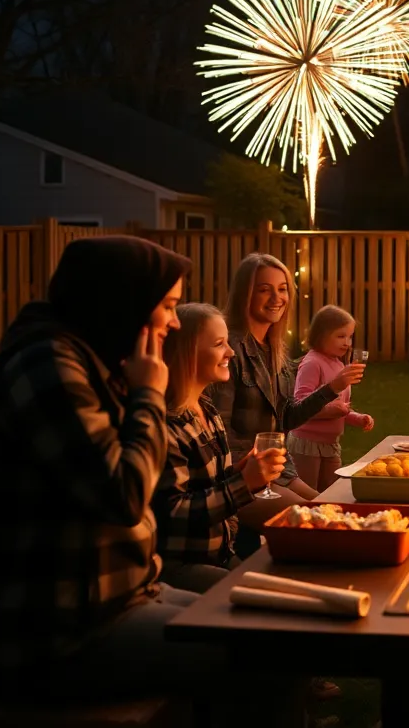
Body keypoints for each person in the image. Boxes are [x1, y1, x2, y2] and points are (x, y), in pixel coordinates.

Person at [0, 238, 264, 710]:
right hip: (59, 634)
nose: (175, 322)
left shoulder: (92, 363)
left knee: (267, 628)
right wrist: (147, 398)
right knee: (260, 653)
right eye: (167, 306)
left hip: (125, 600)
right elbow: (124, 495)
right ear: (123, 303)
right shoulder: (49, 368)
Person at [210, 253, 364, 507]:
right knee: (317, 519)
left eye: (282, 289)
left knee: (337, 507)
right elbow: (221, 433)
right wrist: (251, 471)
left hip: (279, 469)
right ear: (244, 294)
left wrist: (332, 388)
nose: (276, 298)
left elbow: (287, 417)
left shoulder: (275, 350)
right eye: (264, 290)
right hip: (240, 475)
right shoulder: (229, 349)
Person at [156, 303, 286, 592]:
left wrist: (240, 473)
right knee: (268, 600)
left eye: (228, 342)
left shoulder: (207, 410)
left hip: (222, 556)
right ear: (186, 353)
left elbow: (209, 486)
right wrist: (243, 483)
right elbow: (173, 514)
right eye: (219, 344)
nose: (230, 352)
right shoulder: (167, 426)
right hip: (182, 567)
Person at [289, 304, 375, 492]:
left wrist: (357, 418)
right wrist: (333, 410)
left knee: (331, 491)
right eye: (340, 336)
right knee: (307, 493)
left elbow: (339, 407)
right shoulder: (312, 363)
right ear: (321, 335)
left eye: (350, 336)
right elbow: (300, 404)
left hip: (331, 443)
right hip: (308, 443)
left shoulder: (338, 365)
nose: (347, 343)